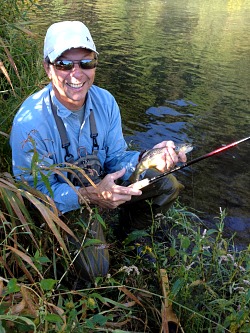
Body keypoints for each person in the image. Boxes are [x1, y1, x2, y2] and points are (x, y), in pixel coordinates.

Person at [10, 21, 186, 285]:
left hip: (101, 188)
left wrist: (145, 158)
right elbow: (33, 195)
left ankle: (130, 236)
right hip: (64, 206)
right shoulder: (30, 123)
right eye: (65, 64)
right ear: (48, 68)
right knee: (95, 270)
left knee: (167, 184)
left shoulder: (106, 102)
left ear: (95, 64)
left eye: (86, 63)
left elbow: (116, 157)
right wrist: (86, 196)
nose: (76, 74)